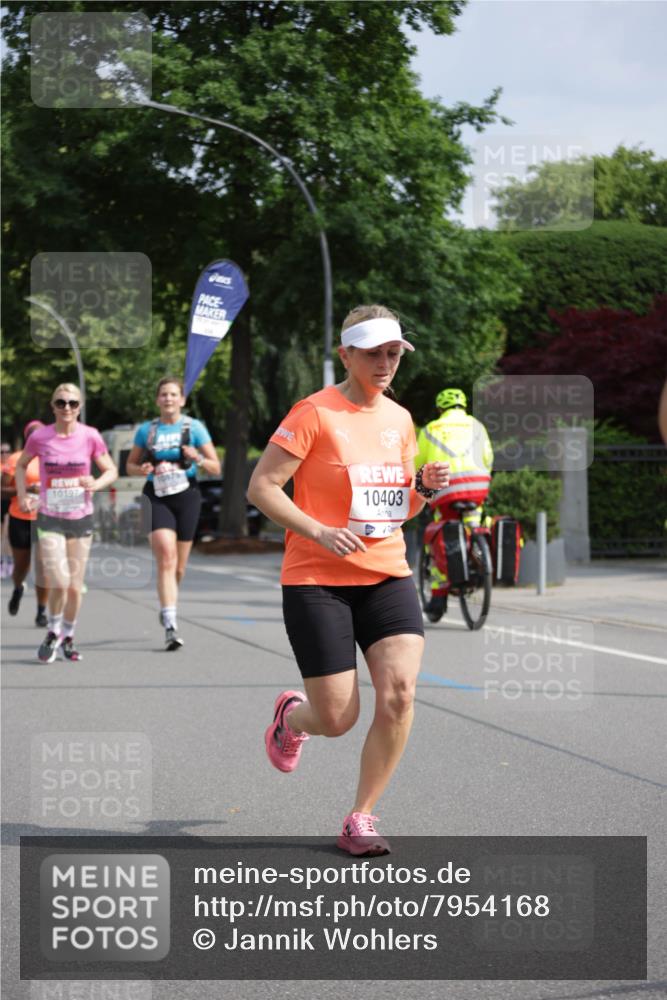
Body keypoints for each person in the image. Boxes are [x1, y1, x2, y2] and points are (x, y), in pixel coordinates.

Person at [248, 304, 449, 856]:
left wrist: (423, 491)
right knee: (338, 717)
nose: (385, 363)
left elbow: (393, 512)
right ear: (346, 354)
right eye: (374, 353)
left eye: (393, 353)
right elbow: (262, 488)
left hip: (386, 574)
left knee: (400, 696)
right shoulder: (313, 413)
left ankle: (360, 817)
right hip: (317, 578)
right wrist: (317, 530)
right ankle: (292, 718)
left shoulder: (401, 420)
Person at [15, 384, 118, 663]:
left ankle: (68, 635)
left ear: (80, 406)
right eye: (61, 403)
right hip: (49, 516)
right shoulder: (41, 437)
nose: (67, 408)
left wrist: (94, 483)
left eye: (72, 403)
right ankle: (53, 630)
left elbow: (111, 470)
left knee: (75, 585)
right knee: (58, 581)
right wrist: (24, 496)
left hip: (80, 517)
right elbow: (22, 465)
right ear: (53, 406)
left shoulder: (90, 436)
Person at [126, 376, 221, 651]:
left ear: (182, 400)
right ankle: (170, 622)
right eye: (163, 395)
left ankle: (169, 603)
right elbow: (130, 465)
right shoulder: (147, 430)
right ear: (157, 400)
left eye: (173, 395)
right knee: (166, 556)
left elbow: (215, 467)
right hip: (156, 496)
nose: (168, 399)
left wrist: (198, 458)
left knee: (178, 567)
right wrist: (140, 469)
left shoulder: (195, 428)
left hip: (187, 495)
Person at [416, 388, 494, 617]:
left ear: (441, 409)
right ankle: (476, 557)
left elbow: (417, 463)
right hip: (477, 486)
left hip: (446, 489)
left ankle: (439, 594)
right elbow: (489, 457)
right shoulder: (477, 426)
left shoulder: (431, 429)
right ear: (464, 407)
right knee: (473, 522)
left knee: (443, 531)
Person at [2, 421, 49, 624]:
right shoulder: (15, 459)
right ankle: (18, 588)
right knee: (22, 566)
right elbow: (2, 491)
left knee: (43, 566)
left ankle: (41, 611)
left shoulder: (52, 459)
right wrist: (28, 490)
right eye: (32, 435)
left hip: (45, 518)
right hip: (20, 518)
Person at [1, 441, 14, 579]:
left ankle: (9, 563)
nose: (4, 454)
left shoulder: (12, 466)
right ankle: (1, 562)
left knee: (7, 534)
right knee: (0, 537)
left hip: (9, 503)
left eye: (7, 451)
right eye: (2, 452)